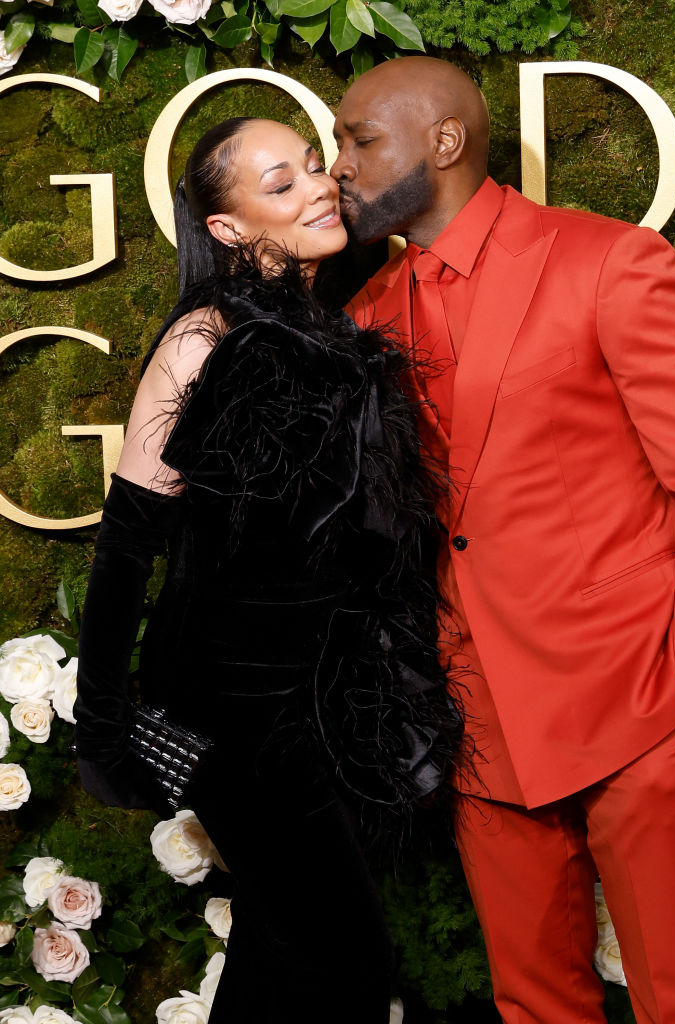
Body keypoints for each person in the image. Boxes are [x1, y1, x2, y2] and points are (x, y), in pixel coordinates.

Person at [331, 56, 675, 1024]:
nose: (339, 167)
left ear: (443, 141)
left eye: (359, 140)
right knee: (531, 999)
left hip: (636, 691)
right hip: (478, 707)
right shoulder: (365, 313)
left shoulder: (608, 261)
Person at [73, 116, 462, 1023]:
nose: (320, 187)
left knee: (281, 952)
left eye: (315, 168)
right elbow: (128, 545)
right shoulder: (204, 339)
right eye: (279, 184)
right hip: (230, 709)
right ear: (227, 230)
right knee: (348, 963)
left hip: (318, 700)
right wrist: (101, 729)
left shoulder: (332, 330)